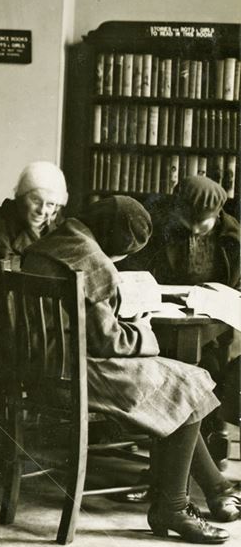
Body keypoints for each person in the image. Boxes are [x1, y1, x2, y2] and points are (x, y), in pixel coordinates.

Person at [22, 196, 240, 543]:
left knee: (184, 386)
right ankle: (174, 507)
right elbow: (109, 342)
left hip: (42, 370)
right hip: (80, 375)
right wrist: (142, 329)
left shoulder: (45, 245)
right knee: (192, 382)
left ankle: (210, 490)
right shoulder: (95, 264)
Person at [120, 175, 241, 467]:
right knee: (173, 371)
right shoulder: (159, 226)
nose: (196, 231)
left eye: (204, 226)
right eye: (188, 225)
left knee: (209, 371)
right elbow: (136, 270)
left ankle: (194, 455)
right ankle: (171, 461)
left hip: (214, 319)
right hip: (164, 316)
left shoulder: (232, 238)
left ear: (218, 217)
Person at [0, 160, 68, 285]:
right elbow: (3, 273)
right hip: (11, 299)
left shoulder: (58, 225)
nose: (42, 211)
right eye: (36, 200)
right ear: (20, 196)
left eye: (50, 204)